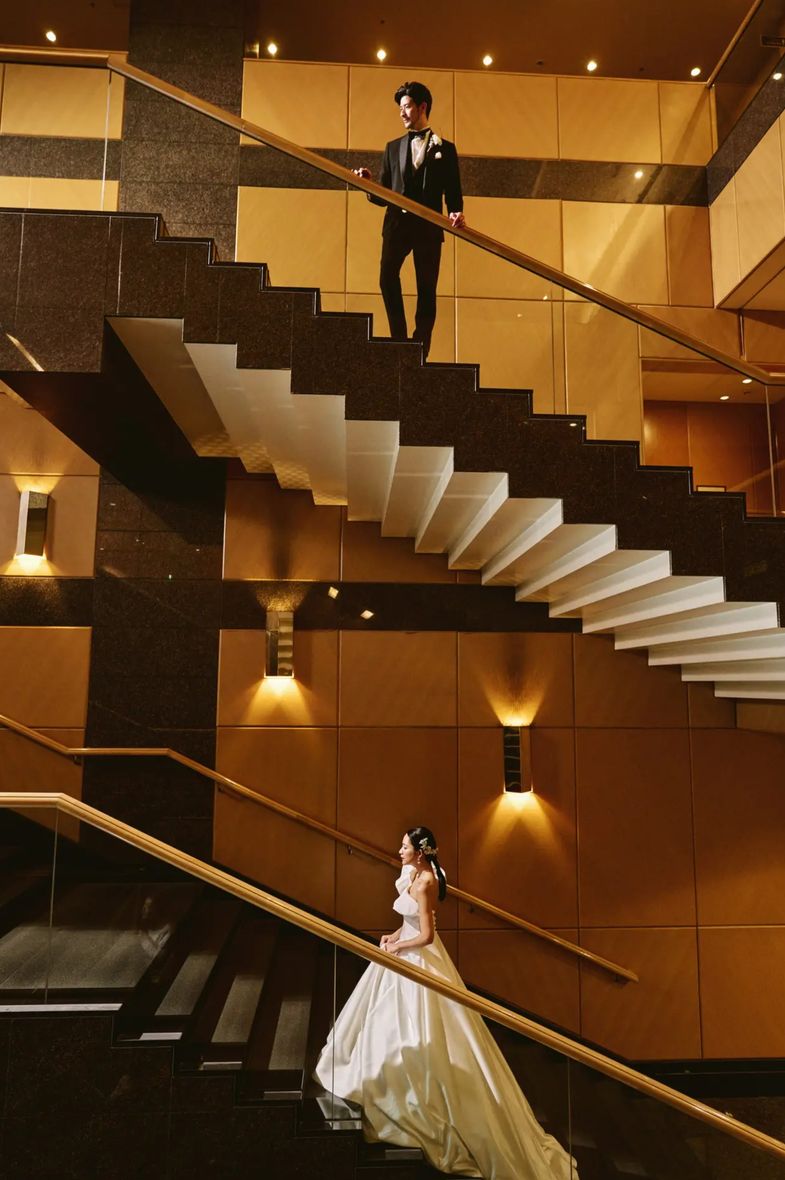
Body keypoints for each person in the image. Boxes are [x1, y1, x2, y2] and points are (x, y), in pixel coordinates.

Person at [313, 826, 577, 1179]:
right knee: (384, 1019)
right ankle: (387, 1074)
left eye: (405, 846)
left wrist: (398, 947)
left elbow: (426, 935)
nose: (399, 850)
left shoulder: (425, 882)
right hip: (404, 952)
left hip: (421, 958)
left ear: (420, 851)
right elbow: (409, 923)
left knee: (421, 1026)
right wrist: (393, 935)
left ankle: (416, 1088)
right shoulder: (412, 874)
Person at [353, 81, 465, 359]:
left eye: (406, 107)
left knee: (427, 288)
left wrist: (456, 211)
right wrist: (368, 185)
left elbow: (453, 190)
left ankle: (420, 349)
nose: (401, 113)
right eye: (400, 108)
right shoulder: (392, 148)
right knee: (386, 278)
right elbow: (384, 195)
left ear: (422, 107)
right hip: (397, 226)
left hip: (428, 228)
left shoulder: (445, 149)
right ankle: (399, 342)